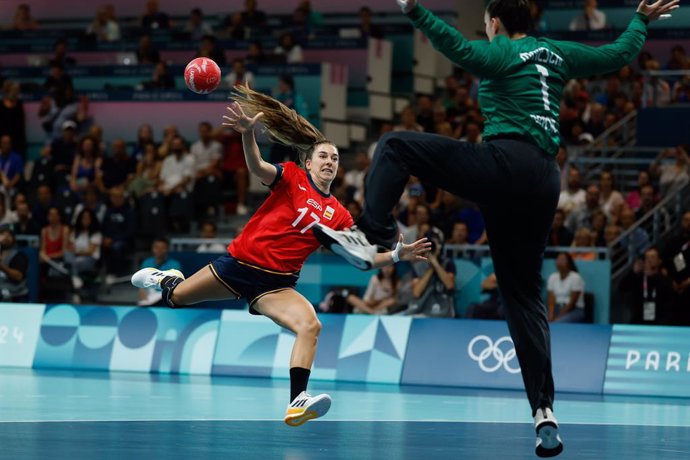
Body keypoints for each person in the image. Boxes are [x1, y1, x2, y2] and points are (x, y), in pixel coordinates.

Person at [311, 0, 679, 456]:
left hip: (504, 163)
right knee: (523, 296)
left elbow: (460, 50)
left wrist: (415, 11)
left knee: (394, 147)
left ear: (496, 22)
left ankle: (375, 235)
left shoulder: (504, 50)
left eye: (486, 22)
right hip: (544, 180)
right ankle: (544, 412)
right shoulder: (556, 52)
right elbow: (616, 55)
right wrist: (640, 19)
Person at [131, 85, 430, 427]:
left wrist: (396, 255)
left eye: (334, 158)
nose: (330, 161)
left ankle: (296, 401)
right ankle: (167, 279)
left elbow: (359, 256)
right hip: (239, 265)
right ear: (308, 161)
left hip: (276, 284)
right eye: (324, 156)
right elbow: (257, 167)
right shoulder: (291, 177)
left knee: (310, 325)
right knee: (177, 299)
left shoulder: (340, 215)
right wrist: (247, 136)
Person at [547, 252, 586, 322]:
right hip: (556, 308)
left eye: (562, 259)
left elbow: (572, 303)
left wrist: (557, 318)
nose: (559, 261)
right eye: (558, 259)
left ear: (569, 263)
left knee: (558, 324)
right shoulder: (552, 277)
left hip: (574, 310)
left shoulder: (576, 277)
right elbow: (551, 300)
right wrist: (551, 315)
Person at [0, 225, 29, 302]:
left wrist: (2, 267)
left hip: (15, 296)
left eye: (9, 235)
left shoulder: (18, 256)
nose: (6, 237)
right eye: (2, 234)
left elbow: (18, 276)